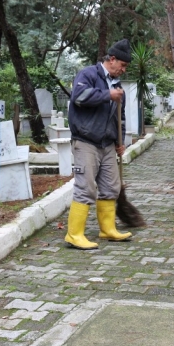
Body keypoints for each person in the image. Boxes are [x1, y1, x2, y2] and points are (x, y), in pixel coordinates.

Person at [64, 39, 133, 249]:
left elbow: (119, 117)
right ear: (112, 59)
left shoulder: (117, 86)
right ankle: (74, 235)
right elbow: (79, 97)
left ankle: (107, 230)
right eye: (122, 65)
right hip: (85, 141)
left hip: (107, 144)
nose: (123, 70)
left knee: (111, 187)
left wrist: (119, 141)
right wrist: (106, 95)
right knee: (85, 188)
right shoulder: (88, 75)